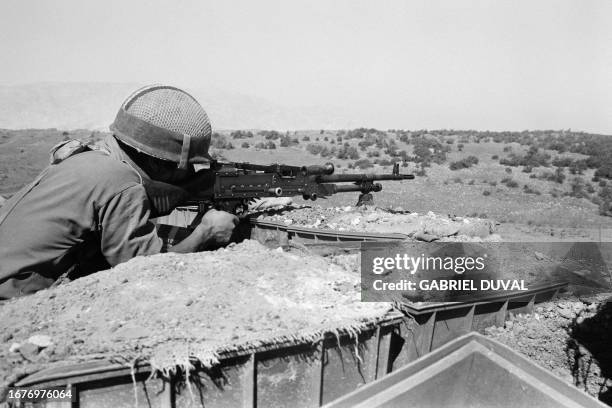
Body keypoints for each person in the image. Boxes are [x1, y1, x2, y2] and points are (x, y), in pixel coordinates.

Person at [0, 85, 239, 299]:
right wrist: (206, 232)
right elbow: (149, 273)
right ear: (159, 163)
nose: (188, 174)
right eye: (186, 167)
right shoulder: (122, 183)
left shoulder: (86, 157)